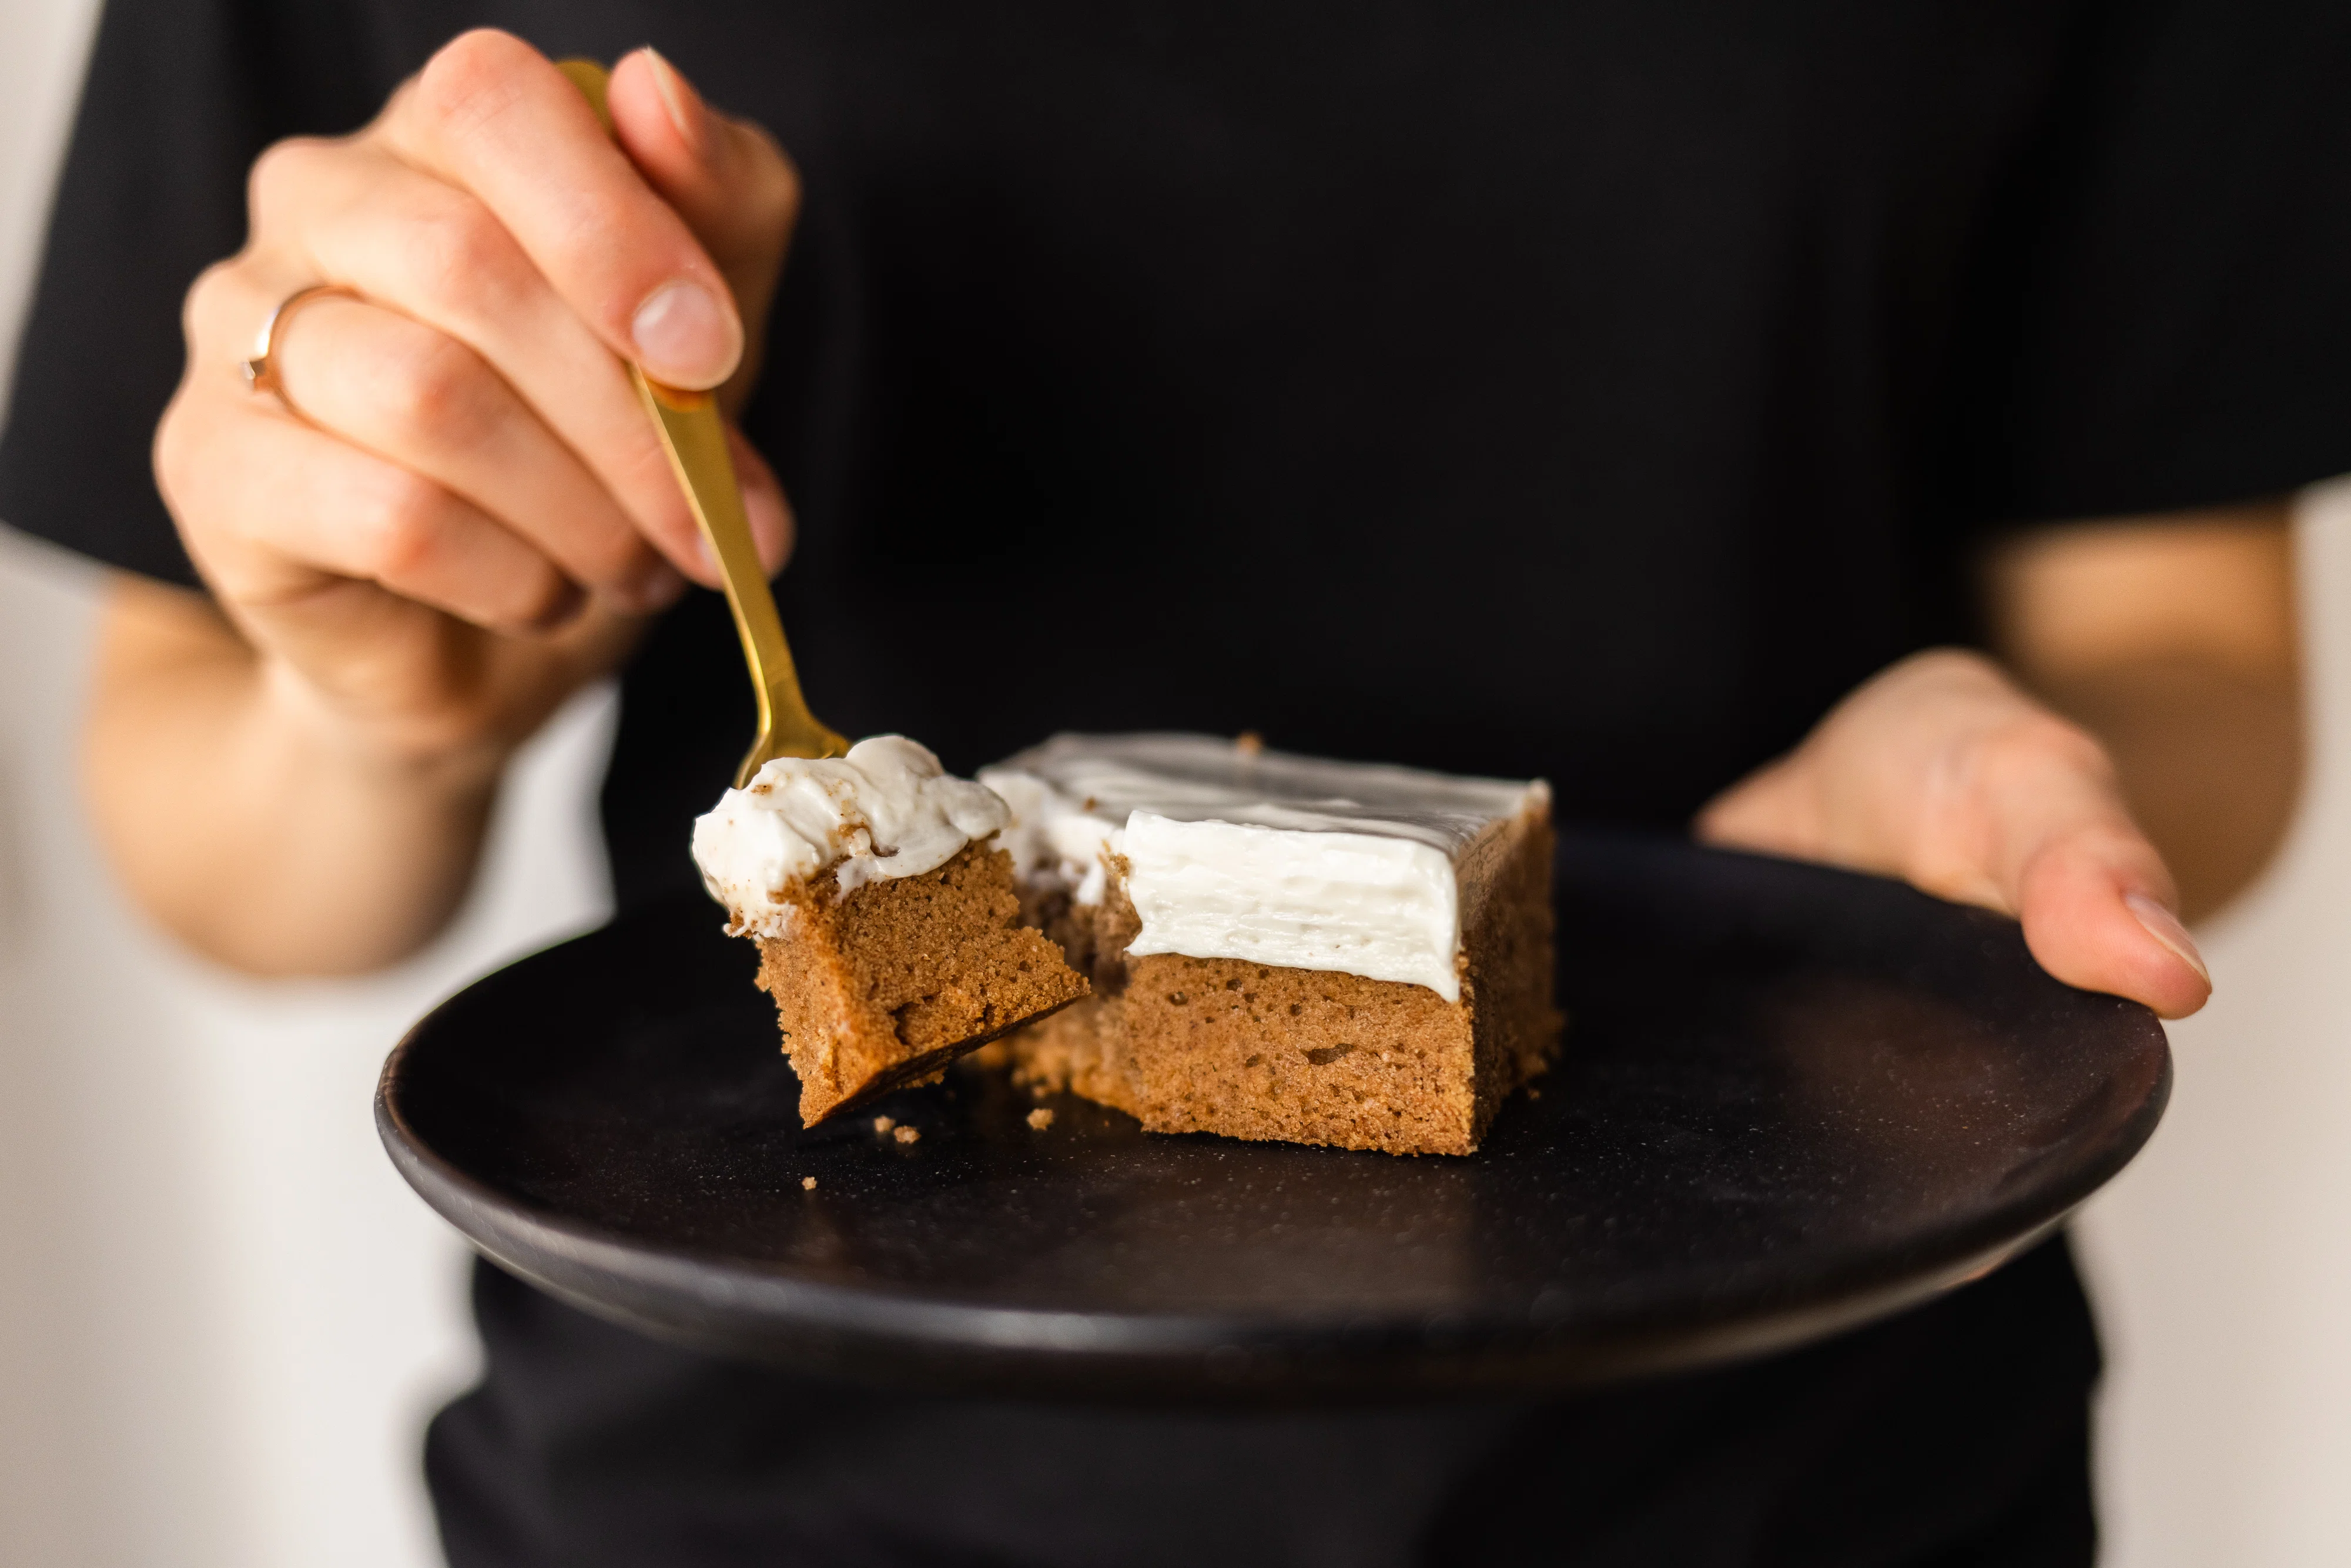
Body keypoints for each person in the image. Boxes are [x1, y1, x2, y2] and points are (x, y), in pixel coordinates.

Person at [1, 2, 2338, 1562]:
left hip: (1808, 1480)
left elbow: (2193, 657)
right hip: (738, 1498)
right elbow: (204, 813)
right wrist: (387, 708)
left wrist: (2000, 800)